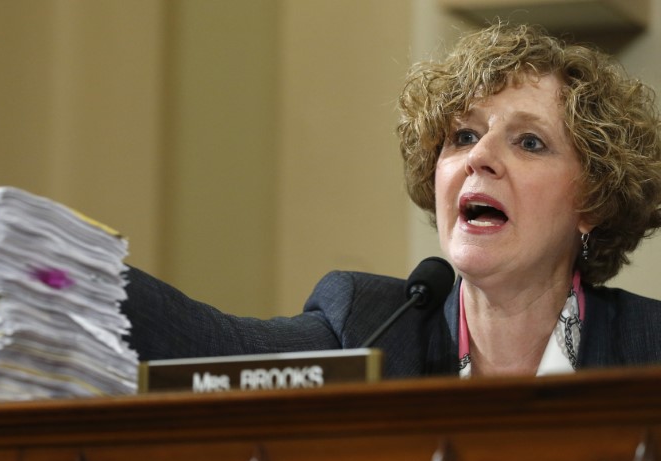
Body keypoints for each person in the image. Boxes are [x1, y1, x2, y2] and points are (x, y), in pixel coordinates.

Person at [122, 22, 661, 378]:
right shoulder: (370, 330)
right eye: (464, 136)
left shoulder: (649, 348)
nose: (481, 158)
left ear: (592, 199)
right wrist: (57, 267)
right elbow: (210, 348)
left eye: (529, 142)